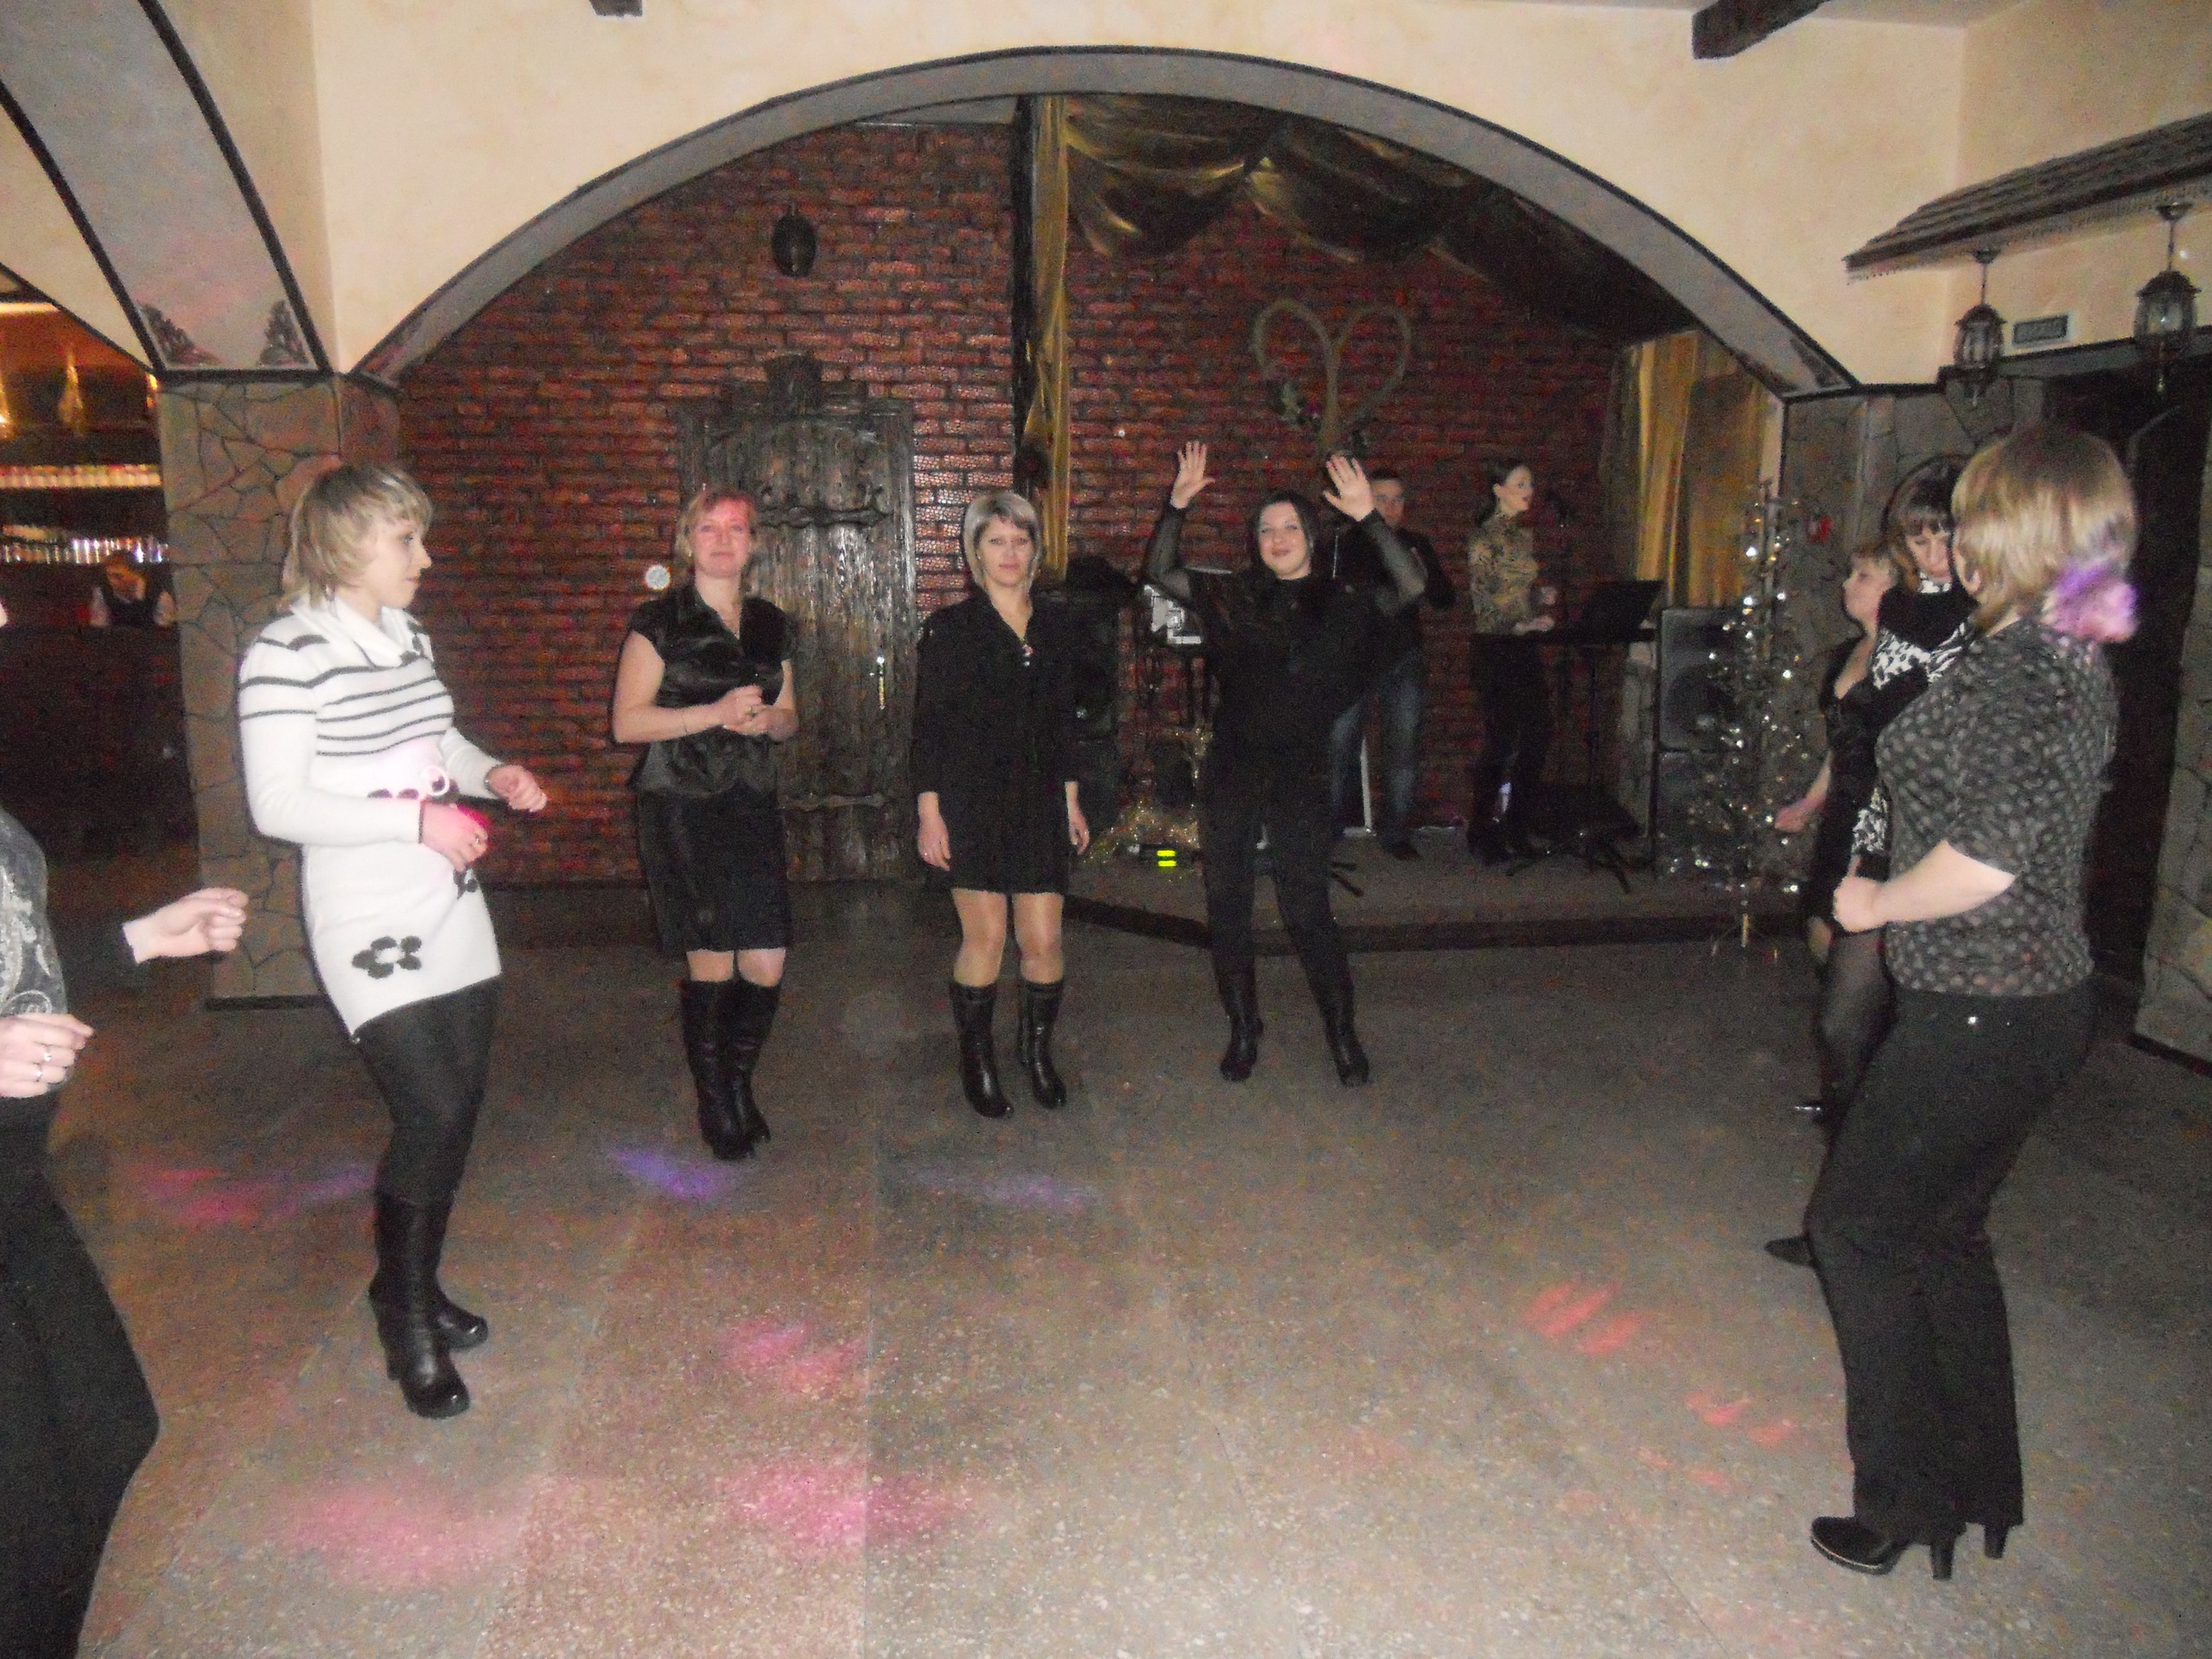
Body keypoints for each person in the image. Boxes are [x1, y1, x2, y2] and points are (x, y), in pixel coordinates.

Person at [1806, 425, 2133, 1581]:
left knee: (1856, 1230)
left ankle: (1907, 1503)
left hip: (1986, 1002)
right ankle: (1978, 1485)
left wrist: (1875, 902)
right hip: (2026, 998)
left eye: (1974, 513)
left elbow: (1984, 862)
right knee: (1943, 1233)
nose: (1956, 534)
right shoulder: (2061, 646)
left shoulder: (2025, 666)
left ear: (2016, 524)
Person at [239, 463, 550, 1420]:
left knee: (455, 1111)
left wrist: (491, 773)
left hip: (448, 899)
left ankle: (413, 1284)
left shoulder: (407, 636)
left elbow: (437, 743)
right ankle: (403, 1317)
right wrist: (416, 820)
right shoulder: (286, 651)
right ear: (346, 546)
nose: (425, 557)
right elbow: (277, 804)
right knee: (431, 1108)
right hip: (365, 910)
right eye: (406, 538)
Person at [2, 806, 245, 1656]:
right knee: (24, 1516)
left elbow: (16, 949)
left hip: (15, 1191)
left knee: (105, 1429)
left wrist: (137, 939)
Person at [1146, 443, 1427, 1085]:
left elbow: (1411, 588)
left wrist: (1369, 517)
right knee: (1228, 901)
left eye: (1290, 528)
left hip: (1301, 767)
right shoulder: (1235, 596)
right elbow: (1162, 572)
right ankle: (1244, 1028)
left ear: (1311, 537)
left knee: (1306, 907)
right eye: (1266, 530)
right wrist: (1177, 506)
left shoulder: (1341, 601)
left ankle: (1342, 1033)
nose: (1277, 539)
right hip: (1234, 764)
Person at [613, 486, 799, 1161]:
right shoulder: (659, 623)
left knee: (767, 959)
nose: (723, 540)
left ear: (754, 543)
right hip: (683, 805)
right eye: (709, 528)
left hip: (749, 801)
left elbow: (791, 717)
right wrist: (713, 714)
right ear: (686, 540)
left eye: (736, 528)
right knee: (713, 959)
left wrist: (768, 720)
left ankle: (736, 1080)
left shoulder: (772, 623)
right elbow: (627, 723)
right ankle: (717, 1101)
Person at [912, 491, 1090, 1117]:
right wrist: (929, 813)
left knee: (1043, 940)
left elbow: (1063, 726)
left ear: (1034, 550)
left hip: (1039, 798)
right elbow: (930, 728)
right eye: (996, 541)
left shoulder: (1057, 627)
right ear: (976, 552)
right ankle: (978, 1059)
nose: (1009, 553)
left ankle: (1035, 1051)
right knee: (985, 938)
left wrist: (1071, 801)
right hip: (973, 800)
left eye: (1020, 541)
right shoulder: (951, 629)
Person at [1771, 538, 1918, 1128]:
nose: (1846, 585)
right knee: (1821, 937)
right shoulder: (1846, 653)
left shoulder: (1909, 662)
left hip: (1881, 821)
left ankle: (1861, 1114)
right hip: (1841, 815)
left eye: (1863, 576)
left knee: (1856, 980)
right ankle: (1847, 1095)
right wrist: (1810, 802)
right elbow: (1840, 748)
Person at [1325, 467, 1455, 859]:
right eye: (1382, 499)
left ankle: (1396, 831)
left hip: (1403, 659)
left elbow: (1444, 599)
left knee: (1403, 748)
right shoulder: (1345, 543)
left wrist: (1424, 573)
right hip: (1355, 660)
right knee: (1340, 747)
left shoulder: (1415, 543)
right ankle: (1326, 833)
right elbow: (1355, 601)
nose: (1392, 507)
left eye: (1398, 499)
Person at [1464, 458, 1556, 862]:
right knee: (1501, 739)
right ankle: (1482, 829)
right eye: (1520, 484)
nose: (1529, 491)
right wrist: (1520, 624)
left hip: (1521, 646)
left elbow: (1516, 594)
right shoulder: (1483, 538)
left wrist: (1538, 600)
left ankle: (1518, 826)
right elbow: (1484, 602)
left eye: (1530, 483)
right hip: (1495, 647)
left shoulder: (1522, 537)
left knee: (1538, 734)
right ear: (1498, 490)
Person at [86, 553, 174, 628]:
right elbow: (99, 630)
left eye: (118, 576)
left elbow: (164, 633)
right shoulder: (103, 593)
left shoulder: (158, 595)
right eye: (109, 575)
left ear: (135, 574)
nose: (112, 581)